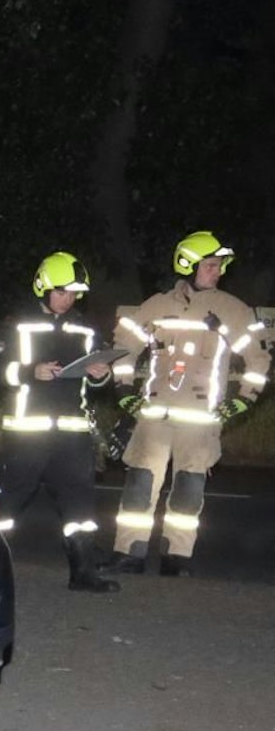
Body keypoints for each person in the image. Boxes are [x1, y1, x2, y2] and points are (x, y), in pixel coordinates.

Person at [109, 231, 269, 576]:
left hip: (200, 422)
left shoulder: (232, 310)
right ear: (189, 266)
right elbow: (123, 346)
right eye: (211, 265)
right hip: (153, 417)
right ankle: (128, 553)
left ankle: (175, 558)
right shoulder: (157, 306)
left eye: (219, 266)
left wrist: (244, 400)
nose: (218, 272)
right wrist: (123, 388)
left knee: (188, 491)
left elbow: (258, 360)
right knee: (138, 486)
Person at [0, 251, 120, 592]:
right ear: (43, 288)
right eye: (63, 292)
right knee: (9, 505)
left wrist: (100, 374)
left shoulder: (85, 328)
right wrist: (30, 372)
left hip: (72, 432)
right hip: (27, 430)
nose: (69, 299)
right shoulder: (16, 324)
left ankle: (83, 573)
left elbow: (98, 383)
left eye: (75, 293)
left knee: (81, 506)